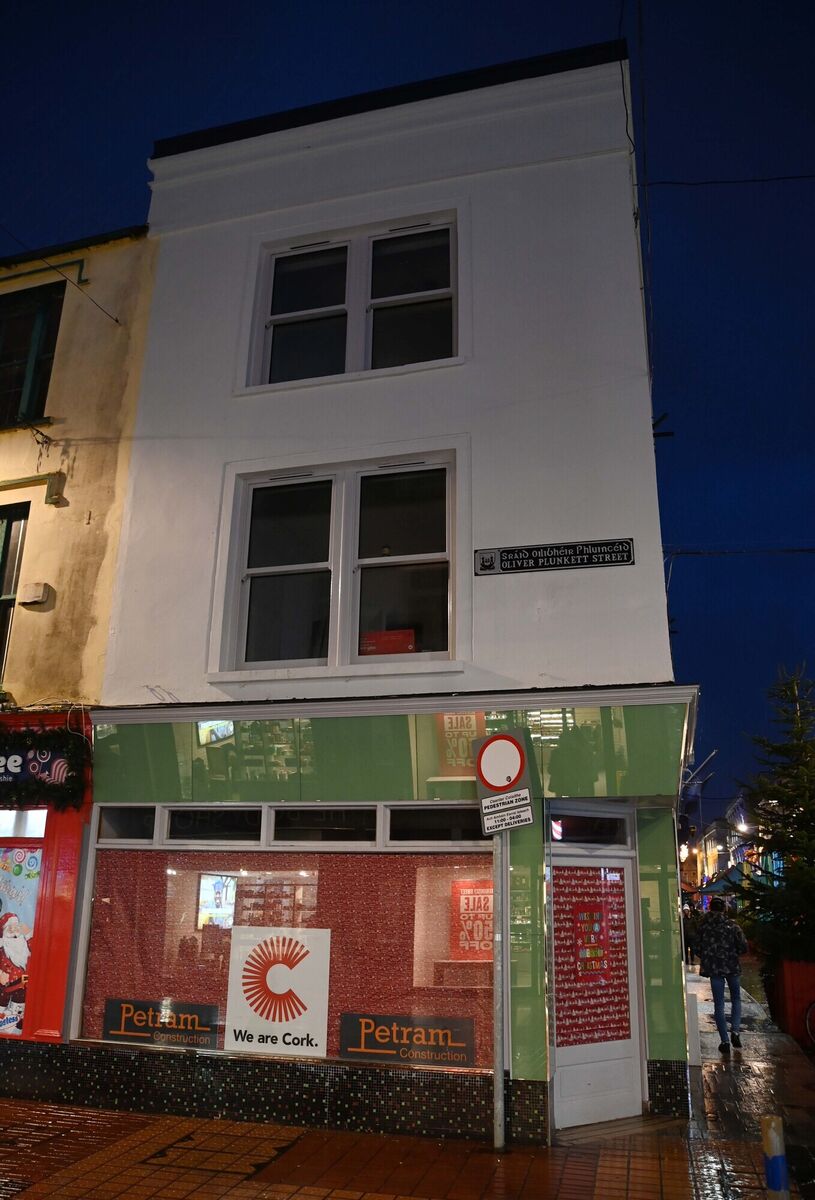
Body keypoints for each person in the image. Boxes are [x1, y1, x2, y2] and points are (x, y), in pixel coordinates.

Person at [696, 896, 748, 1054]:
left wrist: (708, 956)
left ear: (710, 908)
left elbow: (696, 946)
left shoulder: (704, 927)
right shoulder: (732, 925)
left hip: (714, 969)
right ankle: (736, 1031)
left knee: (718, 1004)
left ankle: (724, 1040)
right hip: (732, 966)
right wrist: (733, 953)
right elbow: (743, 946)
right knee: (736, 998)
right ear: (724, 909)